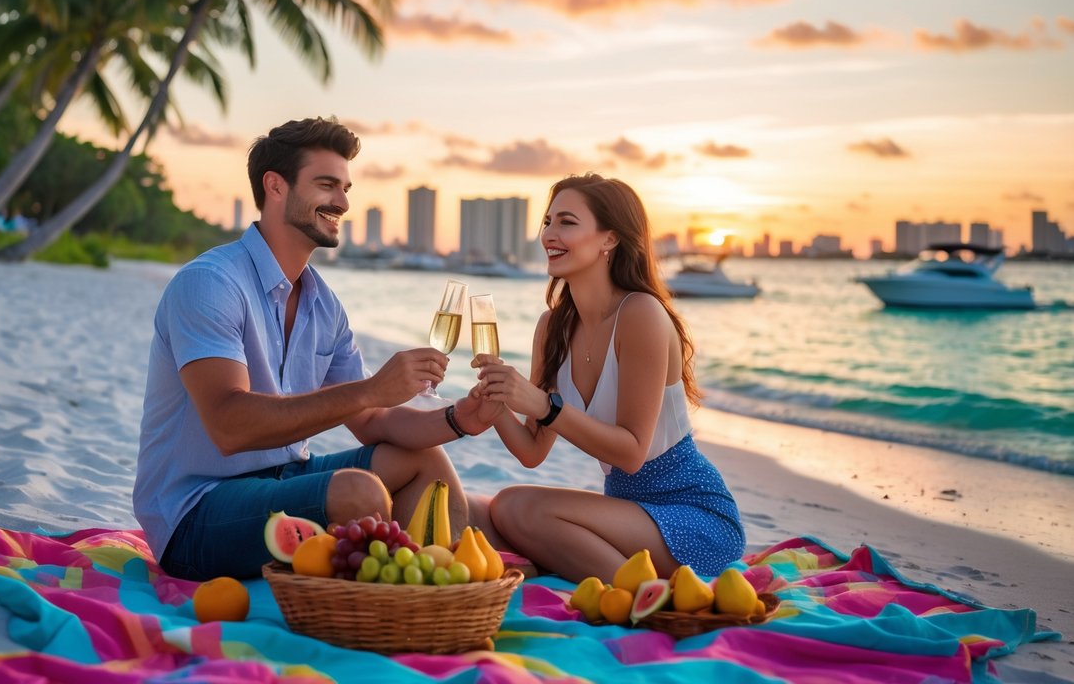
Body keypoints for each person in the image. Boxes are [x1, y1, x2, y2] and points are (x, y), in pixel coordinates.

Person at [134, 117, 494, 580]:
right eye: (326, 185)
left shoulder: (324, 305)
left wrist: (458, 419)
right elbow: (229, 425)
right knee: (357, 493)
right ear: (275, 186)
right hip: (197, 513)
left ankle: (433, 595)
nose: (343, 202)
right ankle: (385, 594)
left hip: (284, 480)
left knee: (426, 463)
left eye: (346, 188)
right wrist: (370, 389)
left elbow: (373, 422)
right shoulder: (210, 284)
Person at [472, 174, 745, 583]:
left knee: (514, 507)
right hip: (624, 508)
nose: (549, 234)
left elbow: (632, 453)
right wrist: (495, 405)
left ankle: (647, 597)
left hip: (691, 514)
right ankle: (612, 579)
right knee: (478, 514)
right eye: (547, 222)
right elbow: (532, 452)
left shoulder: (641, 314)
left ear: (609, 240)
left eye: (567, 222)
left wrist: (543, 406)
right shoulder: (552, 328)